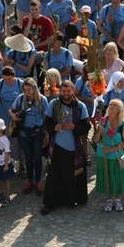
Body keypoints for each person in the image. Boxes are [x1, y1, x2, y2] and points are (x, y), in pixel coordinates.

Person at [41, 81, 91, 215]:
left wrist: (74, 127)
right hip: (57, 145)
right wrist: (53, 128)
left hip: (73, 147)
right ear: (60, 91)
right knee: (53, 176)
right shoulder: (53, 104)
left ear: (73, 91)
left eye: (69, 91)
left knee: (70, 174)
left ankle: (70, 199)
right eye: (63, 91)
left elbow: (87, 127)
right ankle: (51, 202)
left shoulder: (80, 107)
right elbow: (46, 122)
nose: (66, 94)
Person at [10, 78, 48, 196]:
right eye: (25, 90)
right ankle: (29, 181)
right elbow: (10, 110)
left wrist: (46, 135)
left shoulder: (42, 100)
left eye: (29, 89)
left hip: (36, 133)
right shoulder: (20, 98)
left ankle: (38, 181)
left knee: (37, 158)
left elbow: (46, 117)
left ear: (34, 88)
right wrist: (14, 116)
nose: (27, 92)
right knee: (28, 158)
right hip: (23, 133)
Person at [95, 99, 124, 212]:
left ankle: (118, 199)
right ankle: (109, 199)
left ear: (119, 109)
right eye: (110, 105)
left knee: (117, 176)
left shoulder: (123, 123)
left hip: (116, 155)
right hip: (103, 155)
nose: (111, 107)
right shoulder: (103, 121)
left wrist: (111, 150)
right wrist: (99, 131)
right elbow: (96, 140)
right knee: (107, 176)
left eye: (115, 105)